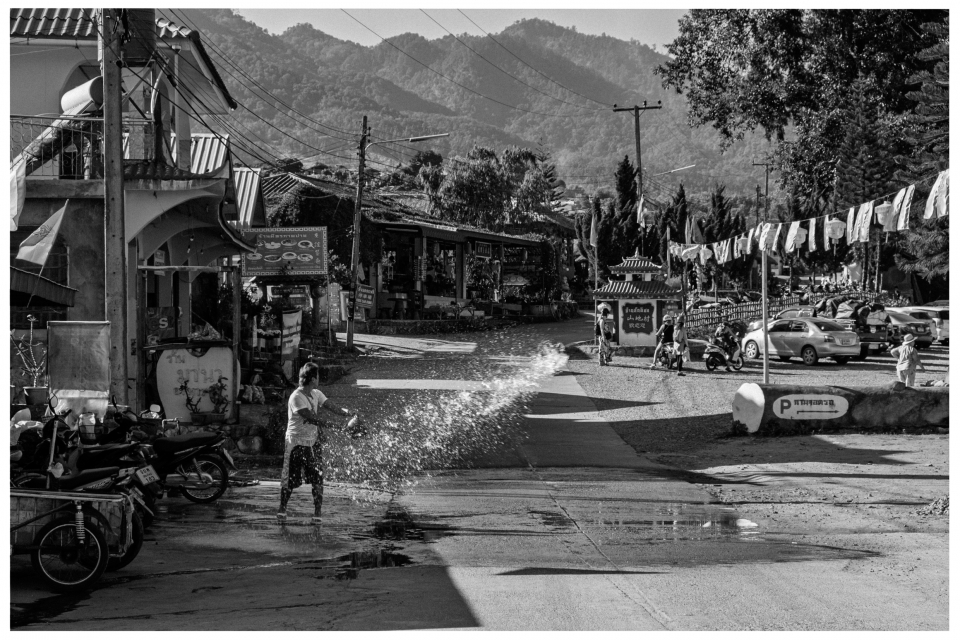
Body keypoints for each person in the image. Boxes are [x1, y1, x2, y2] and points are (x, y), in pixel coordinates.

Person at [278, 362, 357, 523]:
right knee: (289, 480)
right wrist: (340, 427)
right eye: (318, 376)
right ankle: (282, 509)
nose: (319, 379)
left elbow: (332, 407)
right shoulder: (296, 397)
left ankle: (317, 513)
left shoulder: (316, 393)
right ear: (313, 379)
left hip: (312, 442)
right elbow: (312, 418)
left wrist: (348, 413)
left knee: (317, 478)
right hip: (295, 443)